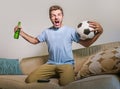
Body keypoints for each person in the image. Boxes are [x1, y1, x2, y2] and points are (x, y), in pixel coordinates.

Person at [14, 5, 103, 86]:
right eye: (53, 15)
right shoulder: (46, 32)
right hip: (50, 64)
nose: (56, 17)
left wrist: (99, 33)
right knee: (29, 80)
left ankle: (64, 74)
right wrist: (21, 33)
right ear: (50, 18)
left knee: (67, 85)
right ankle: (56, 74)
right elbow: (34, 41)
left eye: (58, 14)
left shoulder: (70, 31)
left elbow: (86, 44)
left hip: (66, 65)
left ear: (62, 16)